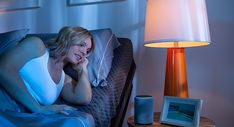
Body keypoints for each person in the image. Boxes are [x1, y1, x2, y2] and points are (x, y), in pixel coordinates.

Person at [0, 26, 95, 115]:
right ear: (68, 39)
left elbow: (84, 98)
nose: (84, 52)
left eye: (87, 51)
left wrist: (83, 70)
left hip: (16, 114)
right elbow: (3, 69)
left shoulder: (63, 79)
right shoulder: (37, 46)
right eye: (81, 45)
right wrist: (38, 108)